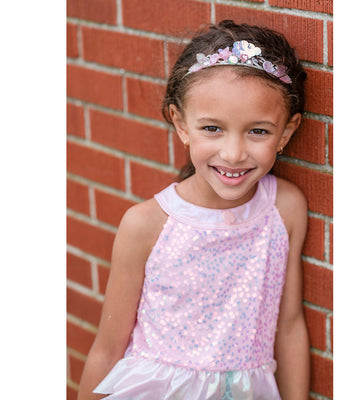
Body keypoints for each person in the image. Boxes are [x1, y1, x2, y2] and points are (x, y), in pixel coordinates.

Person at [77, 20, 310, 400]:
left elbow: (290, 325)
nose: (233, 153)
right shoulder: (146, 224)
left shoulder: (285, 209)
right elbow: (107, 348)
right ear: (181, 123)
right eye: (212, 128)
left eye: (258, 131)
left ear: (286, 132)